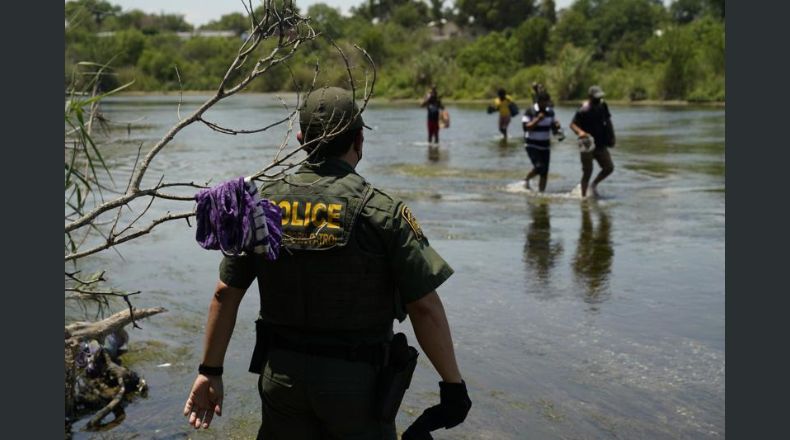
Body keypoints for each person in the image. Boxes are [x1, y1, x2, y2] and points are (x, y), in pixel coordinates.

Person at [182, 87, 471, 439]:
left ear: (302, 140)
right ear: (359, 141)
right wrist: (452, 385)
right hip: (358, 389)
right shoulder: (382, 212)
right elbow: (424, 307)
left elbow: (225, 294)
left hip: (282, 380)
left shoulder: (260, 206)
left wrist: (209, 370)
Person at [569, 85, 616, 198]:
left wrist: (612, 136)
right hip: (586, 142)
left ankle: (593, 185)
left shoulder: (603, 106)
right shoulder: (582, 110)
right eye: (596, 98)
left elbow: (608, 121)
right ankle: (584, 198)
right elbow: (572, 125)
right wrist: (580, 132)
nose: (598, 100)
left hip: (600, 142)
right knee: (587, 172)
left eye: (599, 97)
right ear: (590, 97)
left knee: (609, 167)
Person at [522, 90, 562, 192]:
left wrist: (557, 127)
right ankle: (526, 179)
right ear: (538, 102)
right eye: (544, 102)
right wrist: (537, 119)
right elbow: (526, 128)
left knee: (544, 172)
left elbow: (553, 128)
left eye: (547, 102)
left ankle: (541, 194)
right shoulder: (530, 111)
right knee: (539, 167)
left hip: (545, 145)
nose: (546, 104)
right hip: (532, 144)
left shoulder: (550, 112)